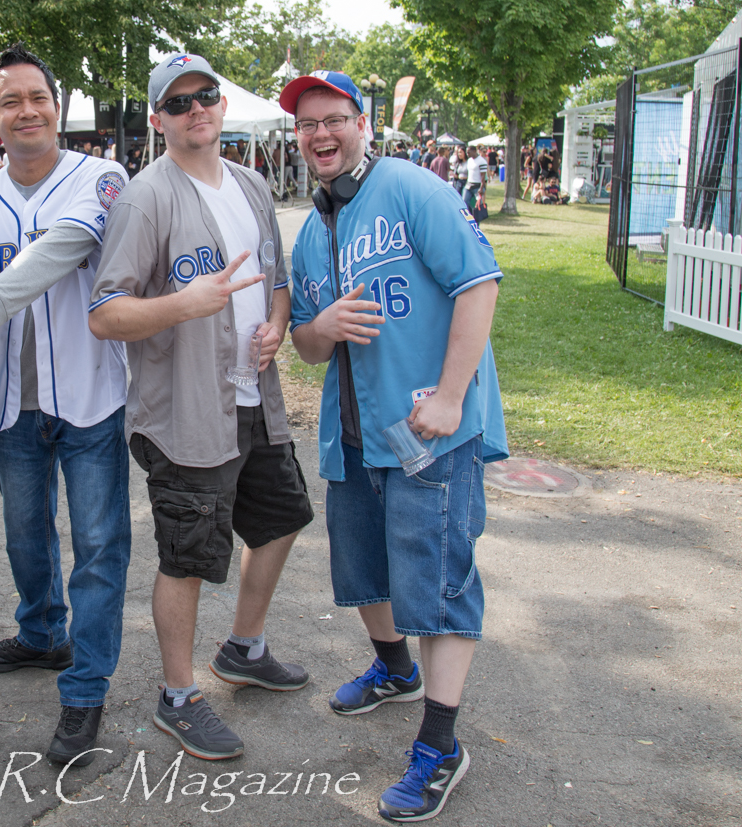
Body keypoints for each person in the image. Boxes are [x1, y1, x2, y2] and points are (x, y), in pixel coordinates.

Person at [280, 69, 508, 823]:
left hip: (428, 429)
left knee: (438, 587)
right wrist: (322, 327)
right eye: (307, 124)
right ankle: (394, 670)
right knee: (366, 572)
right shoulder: (313, 231)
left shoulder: (412, 189)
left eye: (334, 119)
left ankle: (440, 745)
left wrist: (450, 396)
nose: (320, 134)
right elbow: (307, 344)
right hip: (356, 436)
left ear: (363, 124)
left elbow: (478, 284)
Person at [89, 54, 314, 762]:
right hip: (185, 413)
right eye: (179, 102)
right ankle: (178, 694)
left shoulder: (252, 184)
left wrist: (275, 323)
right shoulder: (145, 198)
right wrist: (183, 304)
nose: (196, 110)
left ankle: (243, 647)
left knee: (281, 520)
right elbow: (105, 312)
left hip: (254, 399)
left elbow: (276, 280)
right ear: (159, 119)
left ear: (220, 105)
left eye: (206, 96)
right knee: (187, 557)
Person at [0, 43, 132, 767]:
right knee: (24, 535)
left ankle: (85, 689)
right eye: (10, 101)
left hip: (91, 395)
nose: (27, 111)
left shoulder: (102, 176)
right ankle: (43, 633)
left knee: (99, 546)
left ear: (57, 106)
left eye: (37, 97)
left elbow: (63, 249)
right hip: (13, 402)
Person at [464, 146, 487, 210]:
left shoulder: (482, 161)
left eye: (469, 152)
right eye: (466, 152)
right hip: (468, 185)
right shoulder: (469, 160)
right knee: (465, 202)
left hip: (477, 186)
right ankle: (470, 214)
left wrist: (481, 188)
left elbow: (483, 176)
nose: (467, 154)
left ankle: (478, 215)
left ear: (474, 151)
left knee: (478, 205)